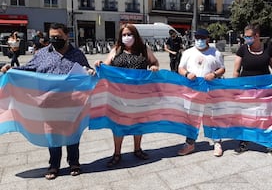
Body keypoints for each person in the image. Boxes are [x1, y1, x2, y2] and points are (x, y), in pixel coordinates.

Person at [0, 23, 95, 180]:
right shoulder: (42, 54)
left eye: (58, 37)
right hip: (48, 103)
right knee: (52, 135)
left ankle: (74, 162)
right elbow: (27, 68)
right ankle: (54, 165)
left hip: (71, 103)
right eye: (52, 37)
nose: (54, 40)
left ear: (67, 36)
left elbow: (86, 70)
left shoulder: (77, 54)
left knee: (72, 132)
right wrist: (10, 70)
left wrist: (90, 71)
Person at [94, 24, 159, 167]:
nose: (127, 37)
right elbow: (106, 66)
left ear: (135, 35)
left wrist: (154, 67)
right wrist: (100, 64)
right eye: (124, 35)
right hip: (119, 95)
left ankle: (137, 149)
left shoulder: (144, 50)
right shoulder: (116, 50)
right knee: (119, 124)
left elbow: (154, 62)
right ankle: (117, 153)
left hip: (139, 94)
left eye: (129, 34)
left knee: (139, 122)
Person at [177, 28, 225, 157]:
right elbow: (180, 68)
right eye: (197, 38)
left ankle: (217, 142)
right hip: (192, 91)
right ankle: (190, 143)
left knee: (212, 117)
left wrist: (214, 74)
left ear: (207, 39)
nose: (199, 41)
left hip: (210, 91)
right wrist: (187, 74)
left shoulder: (215, 53)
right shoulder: (188, 53)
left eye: (202, 38)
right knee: (191, 117)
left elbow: (222, 68)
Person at [233, 23, 272, 154]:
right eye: (244, 37)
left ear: (257, 36)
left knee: (264, 116)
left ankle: (267, 143)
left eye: (248, 36)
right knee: (246, 116)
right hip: (246, 89)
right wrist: (234, 88)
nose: (245, 39)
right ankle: (244, 142)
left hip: (264, 89)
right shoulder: (242, 49)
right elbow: (236, 70)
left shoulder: (268, 49)